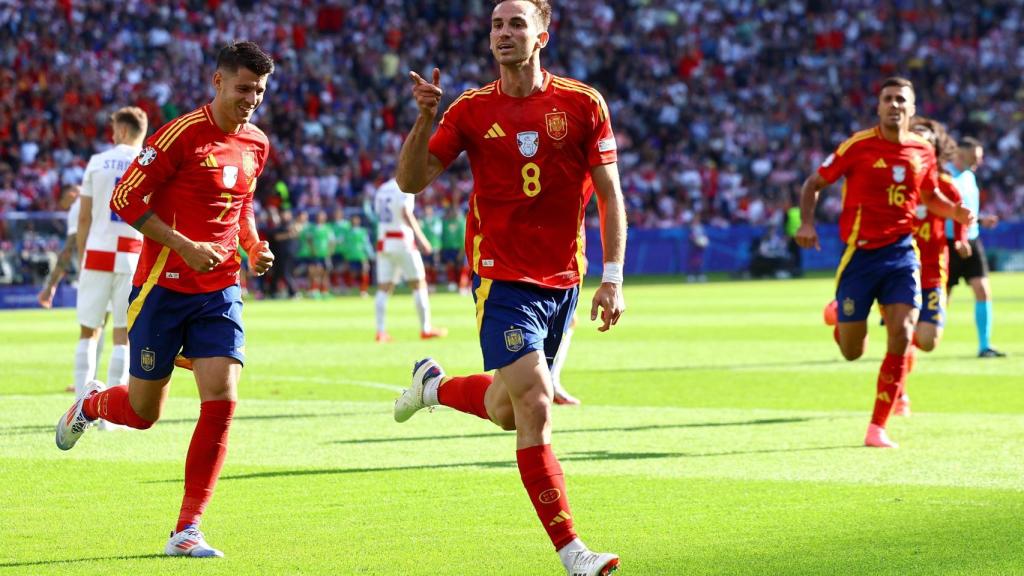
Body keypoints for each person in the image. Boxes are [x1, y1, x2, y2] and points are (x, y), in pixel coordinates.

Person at [391, 2, 626, 574]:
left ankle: (435, 387)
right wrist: (425, 118)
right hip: (500, 279)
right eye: (496, 24)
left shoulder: (582, 103)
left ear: (543, 35)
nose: (503, 33)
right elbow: (410, 181)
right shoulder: (471, 110)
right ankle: (574, 552)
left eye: (516, 24)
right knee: (536, 403)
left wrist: (612, 276)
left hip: (563, 281)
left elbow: (611, 194)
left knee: (505, 409)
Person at [55, 41, 276, 558]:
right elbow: (125, 199)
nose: (252, 99)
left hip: (219, 289)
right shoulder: (179, 134)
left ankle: (187, 529)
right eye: (244, 88)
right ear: (218, 81)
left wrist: (253, 246)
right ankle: (91, 403)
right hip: (161, 289)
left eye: (260, 91)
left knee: (222, 398)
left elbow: (240, 207)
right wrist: (182, 245)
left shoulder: (257, 144)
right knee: (142, 411)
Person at [796, 77, 972, 449]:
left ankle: (877, 426)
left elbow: (931, 196)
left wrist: (954, 212)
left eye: (901, 100)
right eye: (888, 99)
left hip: (901, 254)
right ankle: (840, 319)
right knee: (851, 351)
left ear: (911, 107)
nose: (894, 105)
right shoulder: (858, 146)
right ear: (878, 107)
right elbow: (814, 182)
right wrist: (807, 222)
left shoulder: (922, 150)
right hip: (859, 256)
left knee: (904, 332)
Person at [893, 117, 969, 416]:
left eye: (928, 140)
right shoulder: (899, 180)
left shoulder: (946, 185)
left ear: (936, 149)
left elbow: (959, 214)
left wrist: (962, 239)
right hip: (899, 268)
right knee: (900, 336)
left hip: (933, 270)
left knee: (926, 341)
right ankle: (899, 394)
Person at [72, 106, 149, 402]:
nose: (113, 133)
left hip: (98, 253)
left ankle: (80, 406)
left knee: (89, 331)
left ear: (124, 130)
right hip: (132, 254)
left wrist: (83, 258)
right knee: (123, 334)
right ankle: (111, 411)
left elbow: (84, 218)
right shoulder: (146, 164)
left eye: (115, 128)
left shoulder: (98, 161)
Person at [37, 184, 106, 392]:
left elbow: (69, 249)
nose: (66, 208)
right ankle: (111, 381)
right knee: (116, 330)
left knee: (91, 327)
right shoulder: (104, 193)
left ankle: (85, 383)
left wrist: (50, 285)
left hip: (96, 266)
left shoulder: (80, 203)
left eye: (64, 203)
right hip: (125, 261)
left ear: (70, 194)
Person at [945, 137, 1005, 358]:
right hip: (949, 243)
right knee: (943, 296)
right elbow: (943, 210)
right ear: (961, 153)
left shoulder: (970, 177)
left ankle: (984, 345)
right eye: (975, 157)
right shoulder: (945, 175)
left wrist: (980, 220)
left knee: (982, 289)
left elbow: (965, 212)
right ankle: (921, 338)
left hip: (971, 239)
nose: (978, 161)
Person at [372, 177, 447, 342]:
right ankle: (425, 328)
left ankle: (380, 332)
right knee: (419, 283)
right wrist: (421, 239)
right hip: (402, 241)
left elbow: (378, 213)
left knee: (384, 287)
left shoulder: (382, 189)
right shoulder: (405, 186)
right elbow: (405, 212)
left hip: (384, 241)